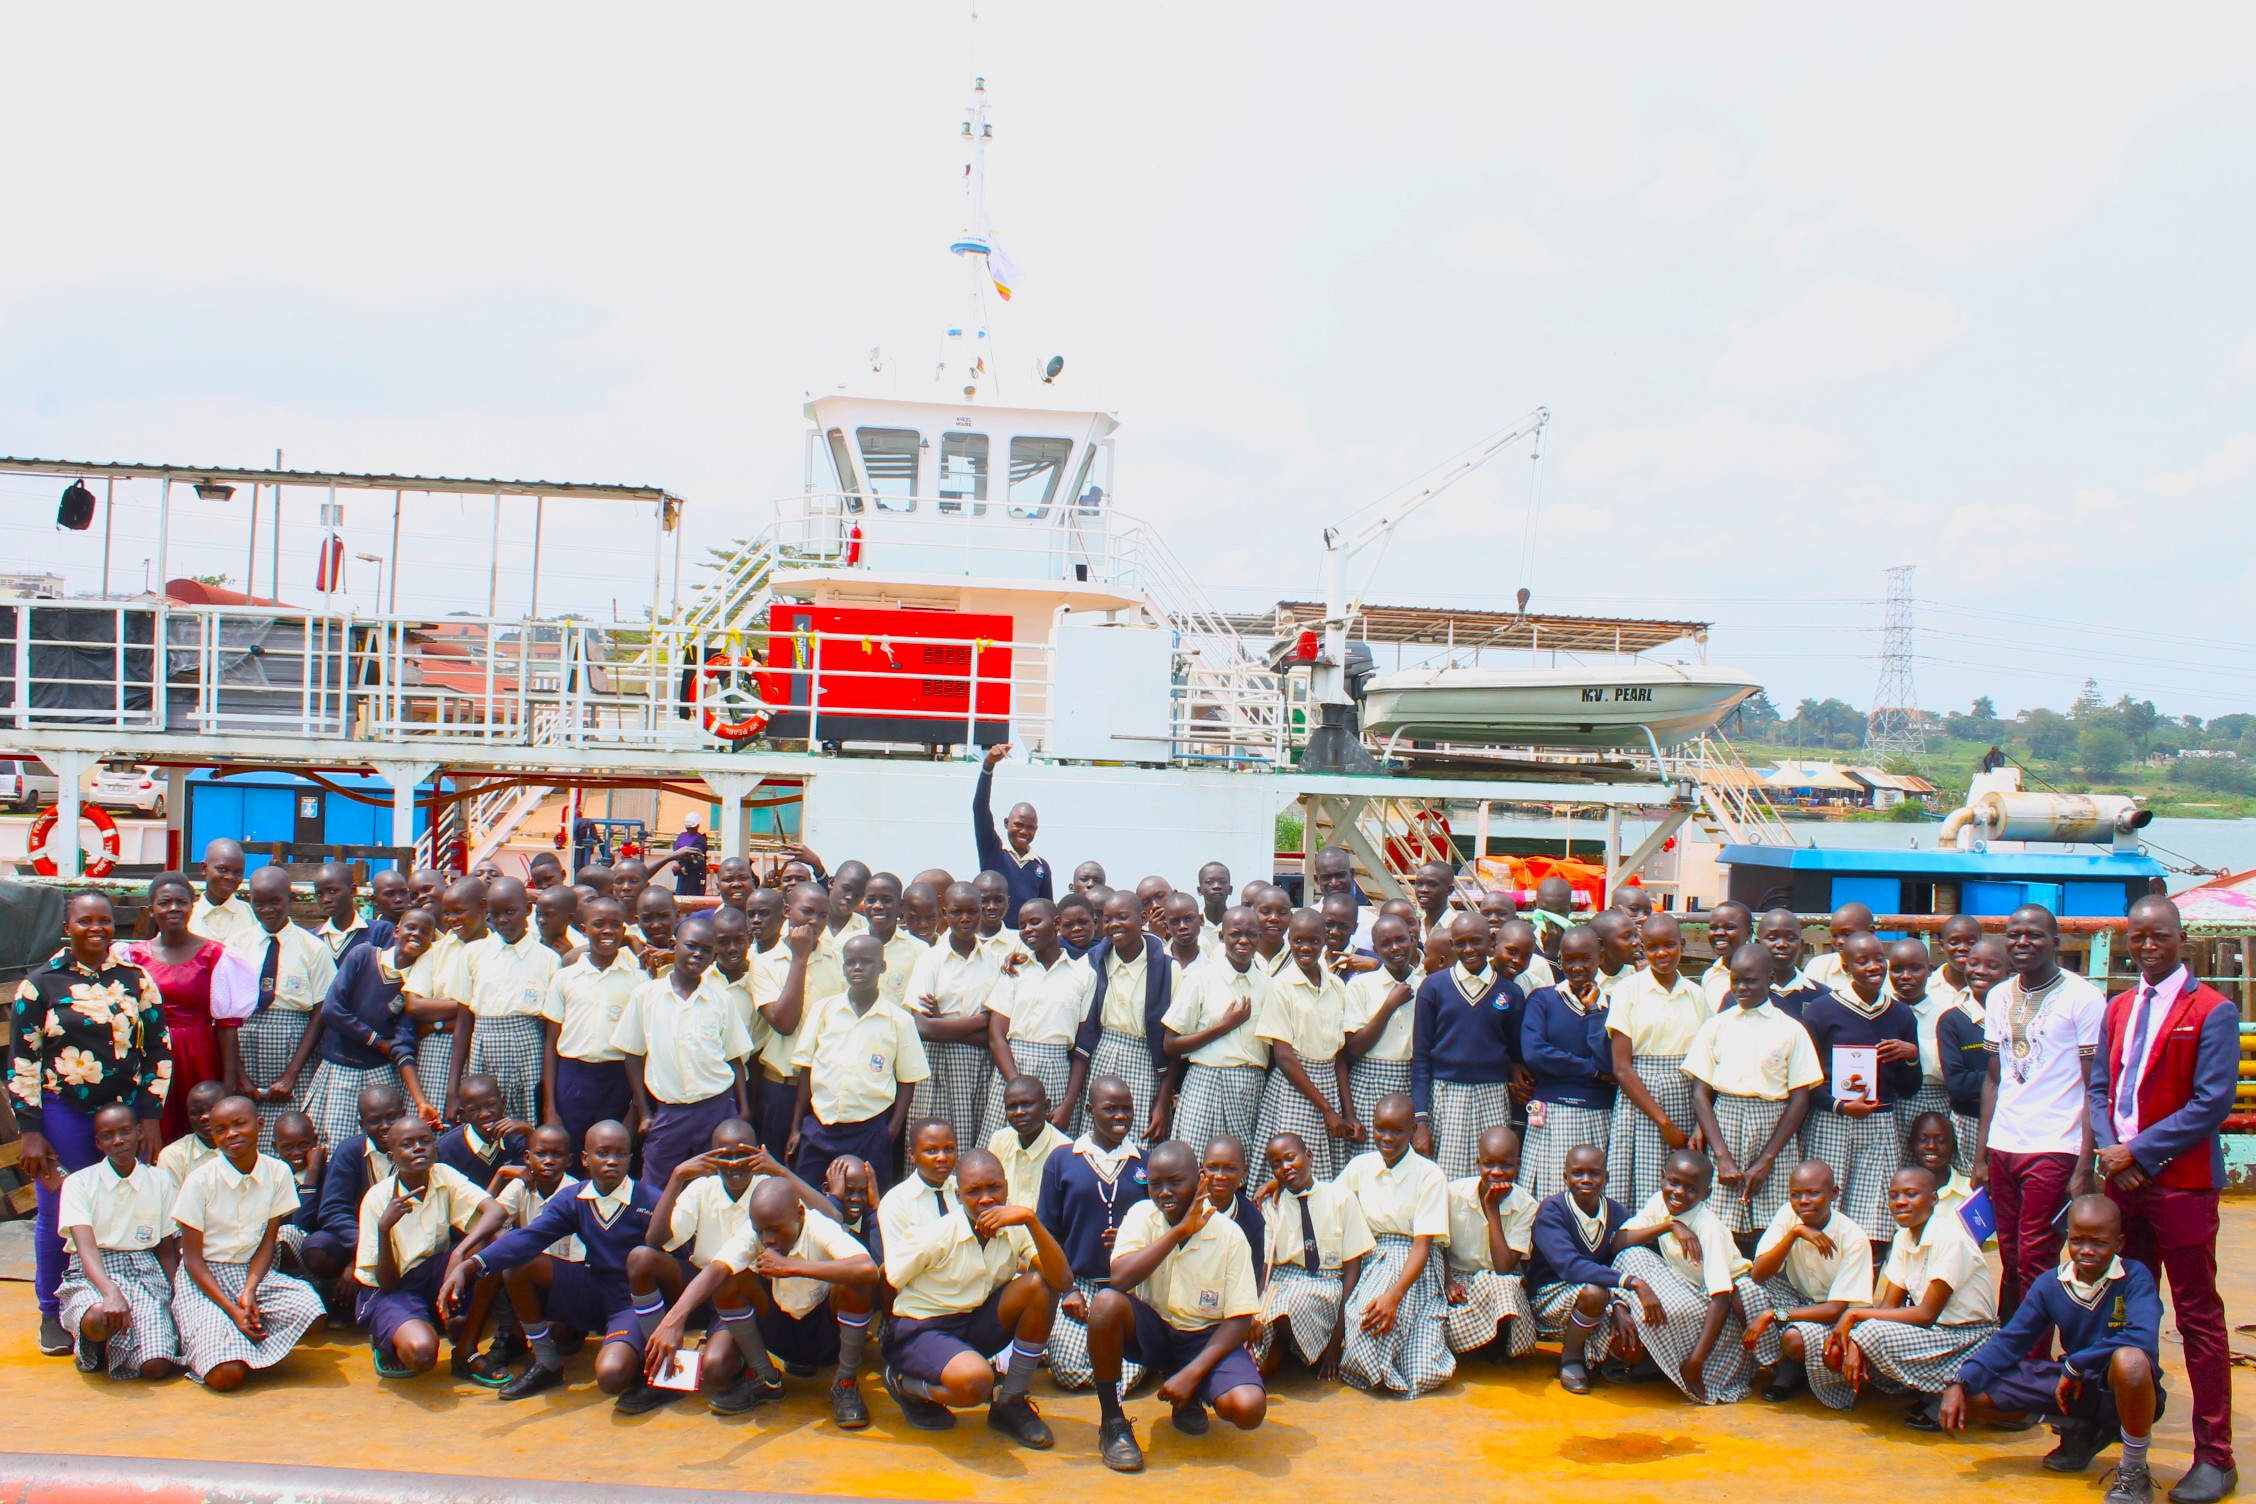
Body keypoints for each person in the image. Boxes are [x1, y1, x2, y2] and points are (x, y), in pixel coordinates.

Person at [2088, 895, 2237, 1503]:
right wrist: (2109, 1149)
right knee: (2123, 1312)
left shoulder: (2212, 1010)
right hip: (2122, 1183)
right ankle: (2126, 1444)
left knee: (2198, 1315)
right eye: (2138, 937)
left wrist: (2139, 1153)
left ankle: (2215, 1455)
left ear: (2182, 939)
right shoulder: (2120, 1007)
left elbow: (2211, 1102)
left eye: (2159, 937)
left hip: (2181, 1184)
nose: (2147, 947)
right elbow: (2100, 1087)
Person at [13, 892, 173, 1356]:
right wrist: (31, 1130)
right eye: (85, 921)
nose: (97, 929)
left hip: (123, 1115)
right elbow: (22, 1061)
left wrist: (150, 1116)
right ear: (68, 927)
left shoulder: (136, 979)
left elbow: (158, 1050)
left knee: (120, 1209)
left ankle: (118, 1305)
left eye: (104, 921)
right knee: (59, 1211)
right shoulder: (39, 985)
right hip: (63, 1113)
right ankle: (52, 1312)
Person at [1943, 1196, 2165, 1503]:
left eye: (2099, 1242)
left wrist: (2077, 1363)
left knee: (2131, 1360)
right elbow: (2010, 1341)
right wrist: (1960, 1380)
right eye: (2077, 1240)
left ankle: (2134, 1471)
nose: (2086, 1250)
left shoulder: (2134, 1277)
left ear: (2119, 1243)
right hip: (2072, 1387)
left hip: (2122, 1391)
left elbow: (2142, 1337)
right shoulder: (2051, 1283)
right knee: (1974, 1394)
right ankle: (2079, 1429)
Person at [441, 1118, 657, 1402]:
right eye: (602, 1153)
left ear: (631, 1159)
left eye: (620, 1154)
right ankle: (546, 1362)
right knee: (520, 1264)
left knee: (610, 1375)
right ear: (584, 1159)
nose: (612, 1161)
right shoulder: (573, 1198)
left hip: (633, 1303)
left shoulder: (651, 1200)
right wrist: (469, 1265)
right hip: (593, 1290)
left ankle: (650, 1367)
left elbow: (673, 1266)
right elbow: (529, 1238)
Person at [643, 1175, 883, 1426]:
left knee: (857, 1284)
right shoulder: (755, 1232)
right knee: (728, 1278)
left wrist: (792, 1267)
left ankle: (845, 1383)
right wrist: (674, 1319)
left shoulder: (820, 1227)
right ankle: (766, 1378)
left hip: (828, 1336)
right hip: (781, 1334)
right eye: (761, 1231)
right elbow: (715, 1270)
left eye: (776, 1230)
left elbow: (867, 1269)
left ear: (800, 1213)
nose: (767, 1239)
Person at [1086, 1139, 1267, 1472]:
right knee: (1104, 1305)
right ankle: (1112, 1423)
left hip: (1203, 1339)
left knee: (1249, 1408)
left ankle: (1192, 1392)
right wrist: (1178, 1232)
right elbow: (1120, 1280)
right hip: (1154, 1330)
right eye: (1156, 1184)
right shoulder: (1142, 1215)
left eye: (1176, 1182)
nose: (1164, 1192)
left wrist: (1191, 1373)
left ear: (1201, 1180)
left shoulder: (1230, 1235)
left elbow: (1240, 1319)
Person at [879, 1147, 1069, 1447]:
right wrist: (895, 1341)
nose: (986, 1199)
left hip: (974, 1324)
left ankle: (1011, 1402)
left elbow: (1061, 1281)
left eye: (994, 1187)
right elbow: (889, 1280)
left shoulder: (1015, 1227)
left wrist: (1031, 1221)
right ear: (958, 1193)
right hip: (925, 1329)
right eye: (973, 1191)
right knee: (976, 1383)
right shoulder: (935, 1236)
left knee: (1038, 1287)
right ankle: (907, 1384)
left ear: (1006, 1185)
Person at [1978, 903, 2105, 1317]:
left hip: (2055, 1144)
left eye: (2033, 935)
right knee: (2010, 1251)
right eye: (2014, 934)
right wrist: (1982, 1154)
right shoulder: (1998, 996)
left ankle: (2031, 1359)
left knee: (2037, 1253)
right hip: (2004, 1143)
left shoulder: (2083, 998)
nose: (2022, 942)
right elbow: (1994, 1079)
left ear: (2056, 942)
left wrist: (2085, 1166)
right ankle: (2006, 1342)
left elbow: (2093, 1087)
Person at [1810, 1166, 1997, 1422]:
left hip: (1968, 1336)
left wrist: (1854, 1317)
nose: (1900, 1203)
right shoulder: (1903, 1238)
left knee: (1870, 1332)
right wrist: (1855, 1338)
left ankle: (1941, 1391)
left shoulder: (1951, 1238)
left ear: (1933, 1199)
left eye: (1910, 1194)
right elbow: (1889, 1307)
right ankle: (1929, 1389)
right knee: (1845, 1340)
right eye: (1894, 1196)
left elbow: (1926, 1314)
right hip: (1936, 1335)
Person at [167, 1095, 327, 1389]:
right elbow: (192, 1260)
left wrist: (250, 1290)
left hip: (251, 1272)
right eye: (221, 1129)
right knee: (226, 1377)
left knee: (312, 1313)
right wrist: (232, 1309)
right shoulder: (200, 1181)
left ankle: (236, 1336)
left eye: (240, 1124)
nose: (231, 1134)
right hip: (204, 1279)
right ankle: (209, 1337)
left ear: (260, 1125)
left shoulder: (277, 1172)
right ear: (213, 1137)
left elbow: (269, 1241)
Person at [1683, 941, 1822, 1238]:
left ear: (1770, 979)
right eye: (1736, 980)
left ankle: (1766, 1282)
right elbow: (1700, 1094)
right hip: (1725, 1124)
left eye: (1751, 980)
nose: (1741, 987)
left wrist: (1767, 1159)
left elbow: (1800, 1099)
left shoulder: (1791, 1029)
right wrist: (1721, 1155)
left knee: (1773, 1224)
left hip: (1774, 1128)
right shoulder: (1716, 1026)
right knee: (1721, 1223)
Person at [355, 1114, 508, 1378]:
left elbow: (496, 1212)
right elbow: (387, 1284)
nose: (418, 1148)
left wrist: (460, 1252)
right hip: (392, 1289)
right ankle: (387, 1338)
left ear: (436, 1148)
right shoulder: (377, 1199)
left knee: (499, 1240)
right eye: (407, 1144)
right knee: (422, 1354)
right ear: (392, 1157)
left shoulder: (443, 1175)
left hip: (434, 1272)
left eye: (425, 1141)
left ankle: (466, 1351)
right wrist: (384, 1229)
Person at [1611, 1148, 1762, 1404]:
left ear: (1707, 1193)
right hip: (1685, 1284)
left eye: (1691, 1188)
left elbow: (1721, 1297)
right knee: (1632, 1255)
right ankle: (1657, 1360)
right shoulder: (1660, 1201)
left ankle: (1672, 1362)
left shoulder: (1708, 1227)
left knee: (1669, 1308)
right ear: (1663, 1178)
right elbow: (1619, 1243)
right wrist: (1670, 1225)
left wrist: (1697, 1361)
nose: (1679, 1192)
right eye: (1673, 1182)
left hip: (1721, 1300)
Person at [617, 915, 754, 1189]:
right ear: (674, 945)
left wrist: (743, 1110)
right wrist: (644, 1112)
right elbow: (632, 1057)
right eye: (691, 946)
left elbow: (735, 1059)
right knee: (656, 1184)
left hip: (716, 1106)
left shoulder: (721, 999)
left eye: (706, 950)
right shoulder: (646, 996)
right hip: (669, 1111)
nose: (698, 954)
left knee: (717, 1183)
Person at [1799, 931, 1921, 1239]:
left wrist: (1911, 1056)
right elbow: (1804, 1078)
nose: (1873, 967)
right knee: (1826, 1213)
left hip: (1880, 1123)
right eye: (1862, 961)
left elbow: (1908, 1088)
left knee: (1876, 1222)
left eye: (1879, 959)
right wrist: (1838, 1105)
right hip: (1833, 1121)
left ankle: (1865, 1286)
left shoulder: (1901, 1014)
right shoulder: (1822, 1010)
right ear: (1845, 965)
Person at [118, 873, 256, 1145]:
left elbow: (228, 1025)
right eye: (165, 902)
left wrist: (228, 1084)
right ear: (151, 909)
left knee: (204, 1131)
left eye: (181, 902)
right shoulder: (132, 957)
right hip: (150, 1055)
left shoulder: (216, 956)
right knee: (157, 1130)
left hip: (200, 1054)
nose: (173, 909)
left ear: (192, 906)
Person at [1335, 1094, 1454, 1398]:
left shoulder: (1430, 1175)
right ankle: (1380, 1364)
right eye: (1380, 1129)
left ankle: (1397, 1360)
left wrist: (1393, 1297)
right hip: (1373, 1258)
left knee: (1423, 1372)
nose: (1386, 1138)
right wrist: (1280, 1185)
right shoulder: (1360, 1165)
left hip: (1416, 1265)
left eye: (1397, 1131)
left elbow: (1422, 1247)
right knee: (1367, 1323)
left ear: (1414, 1131)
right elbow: (1328, 1199)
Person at [54, 1101, 184, 1379]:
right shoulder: (79, 1183)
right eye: (108, 1136)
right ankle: (98, 1344)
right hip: (93, 1272)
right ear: (98, 1143)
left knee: (157, 1367)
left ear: (139, 1132)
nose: (118, 1141)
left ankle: (130, 1344)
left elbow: (165, 1249)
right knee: (101, 1317)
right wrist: (110, 1291)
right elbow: (86, 1248)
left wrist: (177, 1295)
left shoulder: (160, 1180)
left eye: (125, 1132)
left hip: (144, 1272)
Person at [1036, 1076, 1150, 1392]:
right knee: (1067, 1368)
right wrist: (1067, 1288)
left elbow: (1162, 1227)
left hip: (1131, 1288)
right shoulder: (1062, 1160)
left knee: (1134, 1366)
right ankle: (1107, 1375)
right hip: (1081, 1286)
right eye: (1110, 1108)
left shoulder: (1146, 1164)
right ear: (1089, 1110)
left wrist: (1134, 1241)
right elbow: (1047, 1233)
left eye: (1127, 1109)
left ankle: (1111, 1373)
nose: (1120, 1116)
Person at [791, 933, 929, 1188]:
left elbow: (908, 1081)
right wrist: (796, 1127)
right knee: (811, 1198)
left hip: (871, 1129)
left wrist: (891, 1131)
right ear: (843, 967)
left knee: (867, 1204)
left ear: (882, 967)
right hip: (820, 1125)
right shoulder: (824, 1010)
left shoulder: (899, 1020)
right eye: (850, 962)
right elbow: (806, 1070)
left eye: (866, 961)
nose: (857, 968)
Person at [1741, 1160, 1875, 1402]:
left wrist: (1774, 1314)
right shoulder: (1789, 1215)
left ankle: (1799, 1371)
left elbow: (1835, 1309)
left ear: (1833, 1193)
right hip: (1799, 1297)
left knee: (1794, 1339)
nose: (1803, 1201)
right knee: (1743, 1289)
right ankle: (1783, 1366)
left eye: (1813, 1193)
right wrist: (1795, 1234)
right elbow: (1758, 1274)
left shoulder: (1853, 1238)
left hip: (1835, 1316)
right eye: (1795, 1194)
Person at [1525, 1144, 1651, 1395]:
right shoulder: (1552, 1210)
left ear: (1606, 1177)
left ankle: (1616, 1360)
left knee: (1631, 1347)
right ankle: (1571, 1358)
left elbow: (1618, 1263)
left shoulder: (1616, 1212)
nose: (1586, 1179)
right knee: (1594, 1293)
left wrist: (1618, 1305)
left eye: (1594, 1173)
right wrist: (1631, 1282)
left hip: (1604, 1295)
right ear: (1565, 1177)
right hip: (1551, 1297)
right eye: (1577, 1173)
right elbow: (1569, 1267)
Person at [306, 905, 436, 1146]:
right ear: (396, 932)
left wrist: (420, 1101)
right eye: (411, 927)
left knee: (385, 1144)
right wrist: (376, 1041)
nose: (417, 934)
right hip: (339, 1067)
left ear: (431, 942)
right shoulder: (363, 955)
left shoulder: (415, 985)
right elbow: (332, 1009)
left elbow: (403, 1040)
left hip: (379, 1072)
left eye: (425, 932)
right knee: (333, 1143)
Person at [1605, 914, 1710, 1209]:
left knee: (1684, 1183)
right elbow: (1622, 1068)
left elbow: (1706, 1062)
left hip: (1686, 1096)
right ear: (1643, 948)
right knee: (1643, 1185)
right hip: (1643, 1099)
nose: (1662, 953)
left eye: (1669, 945)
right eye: (1652, 947)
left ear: (1683, 944)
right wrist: (1664, 1123)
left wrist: (1700, 1125)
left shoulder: (1696, 995)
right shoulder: (1628, 991)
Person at [227, 866, 338, 1142]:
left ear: (291, 898)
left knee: (293, 1127)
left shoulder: (313, 948)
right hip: (246, 1040)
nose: (266, 909)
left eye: (275, 901)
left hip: (295, 1046)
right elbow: (226, 1010)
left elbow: (321, 1010)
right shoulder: (236, 945)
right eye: (258, 902)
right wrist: (238, 1072)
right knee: (246, 1124)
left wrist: (292, 1073)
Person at [1252, 1130, 1372, 1378]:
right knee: (1257, 1358)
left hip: (1326, 1281)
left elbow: (1352, 1269)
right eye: (1276, 1165)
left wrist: (1334, 1345)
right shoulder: (1272, 1207)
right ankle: (1283, 1346)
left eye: (1290, 1158)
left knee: (1289, 1304)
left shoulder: (1340, 1199)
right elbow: (1266, 1268)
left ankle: (1305, 1347)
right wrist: (1253, 1311)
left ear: (1309, 1156)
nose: (1285, 1168)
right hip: (1283, 1280)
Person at [1410, 912, 1518, 1181]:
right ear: (1452, 945)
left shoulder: (1509, 992)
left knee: (1493, 1178)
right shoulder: (1434, 987)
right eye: (1460, 943)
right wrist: (1420, 1120)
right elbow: (1421, 1058)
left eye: (1476, 941)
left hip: (1492, 1095)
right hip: (1447, 1097)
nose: (1469, 949)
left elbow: (1515, 1053)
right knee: (1447, 1183)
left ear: (1491, 942)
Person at [1254, 910, 1358, 1179]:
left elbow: (1338, 1056)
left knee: (1324, 1174)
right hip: (1295, 1088)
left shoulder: (1336, 986)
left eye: (1314, 940)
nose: (1306, 948)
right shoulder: (1282, 987)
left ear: (1325, 939)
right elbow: (1284, 1056)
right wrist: (1327, 1110)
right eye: (1298, 940)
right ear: (1290, 939)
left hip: (1329, 1086)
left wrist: (1347, 1113)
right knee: (1293, 1168)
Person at [901, 882, 1004, 1151]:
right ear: (945, 914)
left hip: (980, 1068)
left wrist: (943, 1021)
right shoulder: (930, 960)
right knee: (934, 1144)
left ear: (982, 912)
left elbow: (993, 1033)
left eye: (973, 911)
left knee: (972, 1146)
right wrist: (981, 1020)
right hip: (936, 1066)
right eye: (957, 912)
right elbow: (924, 1028)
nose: (966, 918)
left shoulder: (993, 962)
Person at [1161, 906, 1272, 1153]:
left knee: (1240, 1168)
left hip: (1249, 1086)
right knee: (1195, 1162)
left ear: (1259, 936)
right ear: (1222, 937)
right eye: (1235, 934)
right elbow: (1170, 1044)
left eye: (1251, 934)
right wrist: (1224, 1027)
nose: (1243, 941)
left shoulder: (1268, 986)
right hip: (1206, 1082)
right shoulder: (1201, 980)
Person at [538, 896, 643, 1156]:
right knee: (571, 1152)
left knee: (612, 1152)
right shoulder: (565, 978)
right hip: (573, 1077)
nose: (607, 931)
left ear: (624, 929)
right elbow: (551, 1044)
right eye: (598, 924)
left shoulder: (638, 980)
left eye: (615, 924)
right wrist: (550, 1106)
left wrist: (635, 1108)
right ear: (584, 930)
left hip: (618, 1078)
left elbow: (643, 1048)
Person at [1517, 925, 1616, 1200]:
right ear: (1560, 960)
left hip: (1598, 1113)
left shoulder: (1613, 1003)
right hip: (1551, 1110)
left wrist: (1594, 1010)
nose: (1577, 967)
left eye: (1585, 959)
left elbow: (1609, 1061)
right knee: (1548, 1196)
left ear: (1601, 957)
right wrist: (1593, 1070)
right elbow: (1536, 1054)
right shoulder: (1544, 999)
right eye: (1569, 960)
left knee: (1591, 1196)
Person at [980, 900, 1091, 1140]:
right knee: (1004, 1148)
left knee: (1051, 1150)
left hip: (1057, 1070)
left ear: (1057, 924)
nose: (1028, 929)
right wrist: (1016, 1087)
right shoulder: (1015, 970)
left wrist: (1069, 1103)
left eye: (1035, 922)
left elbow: (1083, 1046)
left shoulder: (1082, 974)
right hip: (1012, 1069)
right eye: (1022, 925)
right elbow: (997, 1036)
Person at [1075, 890, 1174, 1141]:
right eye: (1107, 919)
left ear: (1142, 918)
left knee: (1138, 1140)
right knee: (1095, 1140)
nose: (1114, 925)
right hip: (1101, 1057)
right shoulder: (1093, 962)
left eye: (1122, 917)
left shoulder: (1168, 969)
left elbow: (1174, 1041)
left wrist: (1162, 1102)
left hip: (1146, 1061)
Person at [750, 883, 839, 1157]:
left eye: (823, 915)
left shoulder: (838, 960)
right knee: (776, 1167)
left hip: (825, 1086)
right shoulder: (763, 964)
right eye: (807, 912)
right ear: (788, 911)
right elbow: (784, 1024)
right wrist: (799, 958)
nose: (815, 921)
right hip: (782, 1087)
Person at [297, 1083, 407, 1294]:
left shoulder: (416, 1149)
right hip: (354, 1238)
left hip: (406, 1238)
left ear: (403, 1114)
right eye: (374, 1121)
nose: (384, 1126)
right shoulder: (350, 1151)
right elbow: (332, 1210)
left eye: (391, 1117)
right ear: (361, 1124)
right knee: (317, 1248)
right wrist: (365, 1249)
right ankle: (340, 1301)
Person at [1441, 1125, 1538, 1361]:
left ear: (1518, 1164)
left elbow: (1504, 1267)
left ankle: (1494, 1343)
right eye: (1489, 1164)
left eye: (1506, 1165)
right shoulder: (1452, 1194)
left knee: (1505, 1286)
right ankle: (1471, 1342)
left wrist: (1492, 1208)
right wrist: (1448, 1281)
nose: (1497, 1172)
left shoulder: (1527, 1206)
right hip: (1455, 1278)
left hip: (1495, 1281)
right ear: (1478, 1163)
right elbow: (1437, 1244)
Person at [1343, 912, 1423, 1132]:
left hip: (1411, 1080)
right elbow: (1355, 1047)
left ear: (1412, 940)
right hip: (1368, 1083)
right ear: (1376, 951)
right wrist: (1390, 1005)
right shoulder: (1360, 985)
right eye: (1385, 944)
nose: (1395, 948)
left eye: (1400, 940)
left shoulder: (1426, 986)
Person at [972, 743, 1053, 926]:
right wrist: (988, 767)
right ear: (1006, 823)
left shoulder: (1042, 867)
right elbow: (979, 809)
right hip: (993, 934)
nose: (1024, 831)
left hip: (1025, 940)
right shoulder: (993, 851)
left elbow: (1047, 908)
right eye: (1018, 825)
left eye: (1030, 827)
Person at [988, 1075, 1069, 1212]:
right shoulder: (1000, 1140)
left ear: (1046, 1106)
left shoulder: (1065, 1150)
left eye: (1027, 1104)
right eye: (1012, 1107)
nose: (1019, 1112)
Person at [433, 1074, 528, 1186]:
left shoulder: (517, 1137)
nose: (484, 1114)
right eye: (473, 1110)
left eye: (491, 1105)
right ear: (464, 1115)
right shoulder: (447, 1148)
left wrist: (530, 1133)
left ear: (503, 1103)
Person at [860, 873, 929, 1011]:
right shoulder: (845, 944)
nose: (878, 906)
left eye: (886, 900)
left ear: (901, 906)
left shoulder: (919, 950)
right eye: (871, 900)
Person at [154, 1079, 226, 1194]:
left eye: (212, 1109)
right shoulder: (173, 1155)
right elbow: (171, 1207)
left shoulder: (242, 1149)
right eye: (196, 1112)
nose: (204, 1117)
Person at [312, 862, 389, 961]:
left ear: (353, 890)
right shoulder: (312, 938)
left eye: (332, 891)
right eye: (319, 894)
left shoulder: (379, 931)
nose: (325, 899)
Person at [189, 840, 258, 949]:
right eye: (222, 869)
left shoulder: (252, 915)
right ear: (204, 869)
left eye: (238, 873)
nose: (230, 877)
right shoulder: (188, 915)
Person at [1801, 902, 1876, 993]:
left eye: (1847, 934)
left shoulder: (1885, 972)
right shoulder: (1818, 967)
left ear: (1870, 932)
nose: (1839, 941)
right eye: (1834, 935)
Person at [1697, 901, 1755, 1010]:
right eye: (1714, 928)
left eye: (1729, 927)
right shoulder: (1710, 975)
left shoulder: (1761, 977)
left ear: (1748, 933)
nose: (1719, 933)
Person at [670, 814, 709, 898]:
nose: (690, 830)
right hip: (682, 875)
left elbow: (699, 860)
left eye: (692, 828)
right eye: (688, 828)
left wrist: (685, 868)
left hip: (695, 876)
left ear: (697, 826)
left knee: (694, 899)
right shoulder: (682, 836)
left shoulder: (700, 839)